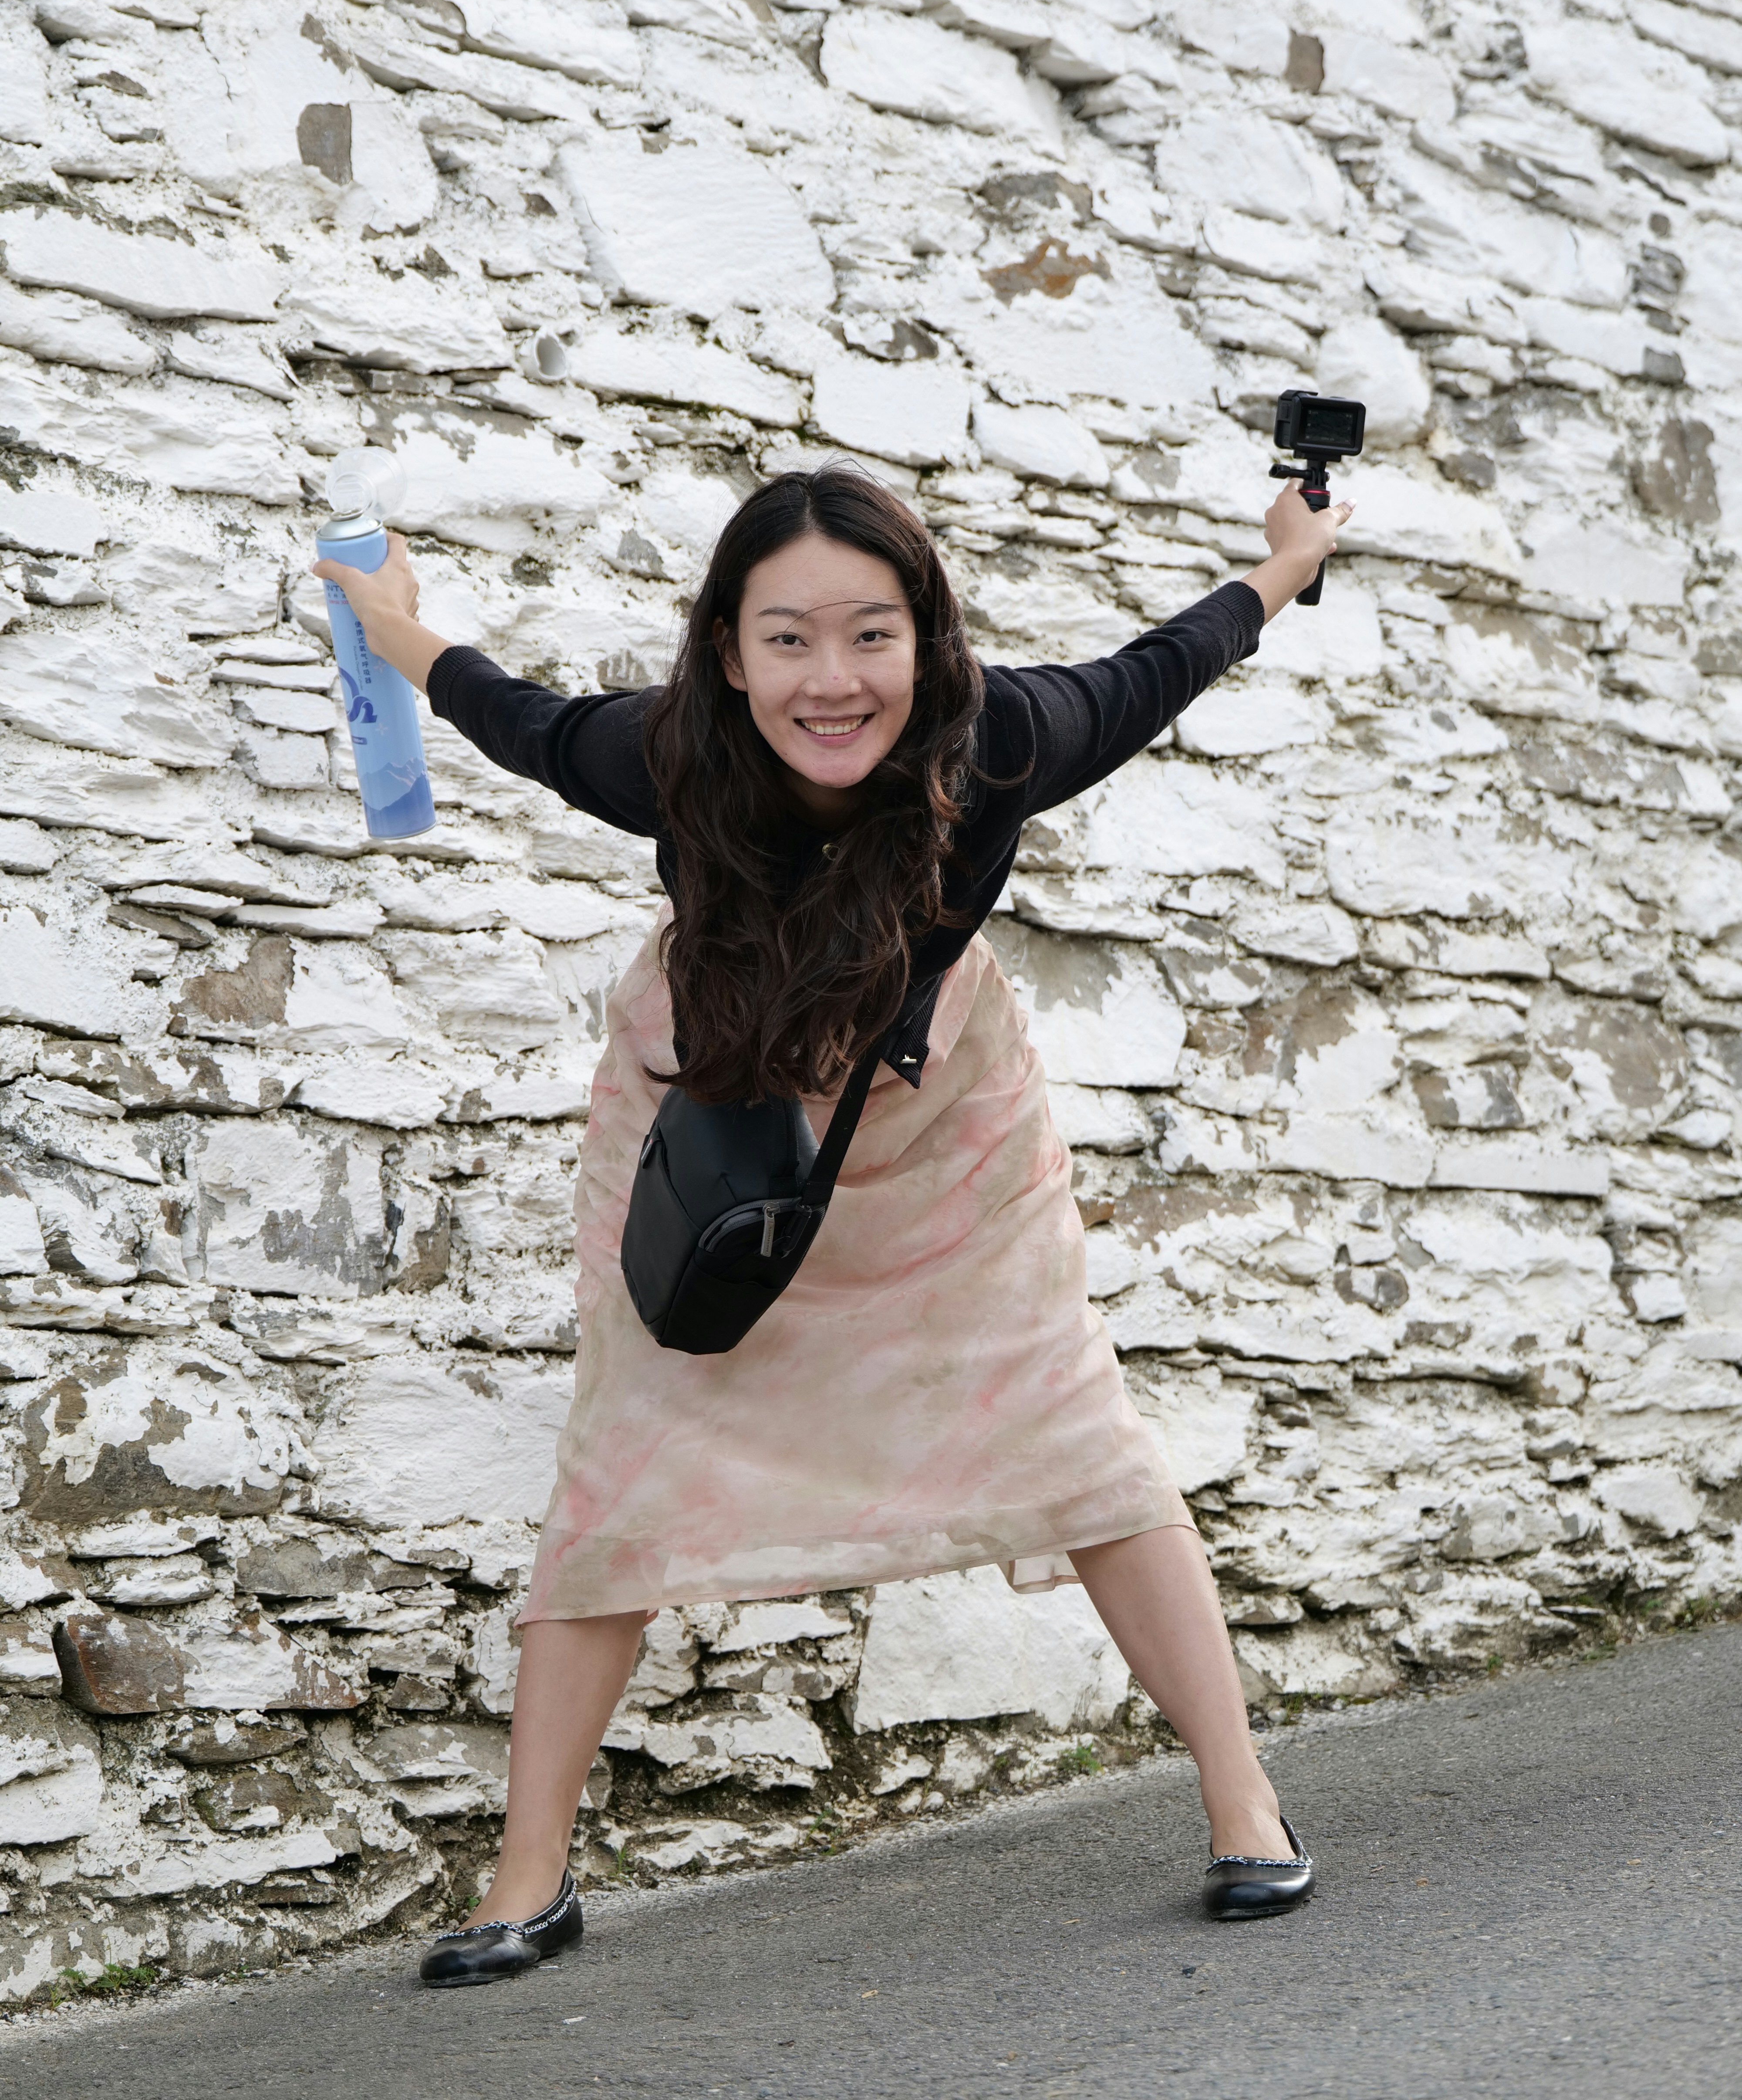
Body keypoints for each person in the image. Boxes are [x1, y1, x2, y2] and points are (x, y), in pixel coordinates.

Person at [315, 459, 1353, 1985]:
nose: (830, 678)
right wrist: (393, 627)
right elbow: (508, 711)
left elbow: (1171, 658)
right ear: (728, 653)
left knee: (1072, 1425)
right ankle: (526, 1876)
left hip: (943, 1136)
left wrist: (1290, 558)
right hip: (715, 1122)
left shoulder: (1003, 738)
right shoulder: (672, 756)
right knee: (624, 1456)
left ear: (927, 643)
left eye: (871, 634)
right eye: (786, 637)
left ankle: (1244, 1803)